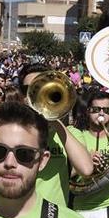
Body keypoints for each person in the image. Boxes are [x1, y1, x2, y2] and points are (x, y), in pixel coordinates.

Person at [17, 64, 93, 207]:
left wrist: (53, 117)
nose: (32, 94)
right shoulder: (12, 130)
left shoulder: (70, 133)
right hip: (16, 212)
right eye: (28, 89)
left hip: (52, 217)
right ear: (21, 95)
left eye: (39, 88)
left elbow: (86, 169)